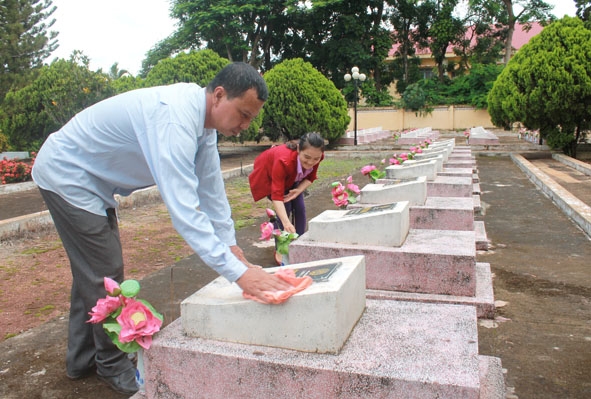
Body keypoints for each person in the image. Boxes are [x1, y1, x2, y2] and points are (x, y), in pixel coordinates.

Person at [31, 62, 291, 395]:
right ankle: (111, 364)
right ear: (219, 95)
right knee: (105, 272)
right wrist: (238, 274)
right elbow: (185, 211)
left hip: (92, 181)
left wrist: (231, 245)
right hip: (68, 174)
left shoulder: (204, 127)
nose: (245, 125)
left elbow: (211, 192)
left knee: (95, 271)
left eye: (251, 118)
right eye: (243, 114)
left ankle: (82, 360)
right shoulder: (174, 119)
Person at [248, 132, 325, 249]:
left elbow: (311, 177)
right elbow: (277, 196)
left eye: (316, 159)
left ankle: (300, 243)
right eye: (307, 157)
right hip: (270, 175)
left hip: (292, 176)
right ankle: (281, 248)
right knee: (285, 208)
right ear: (299, 149)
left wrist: (298, 190)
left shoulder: (317, 156)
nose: (310, 162)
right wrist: (286, 223)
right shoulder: (283, 160)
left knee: (300, 208)